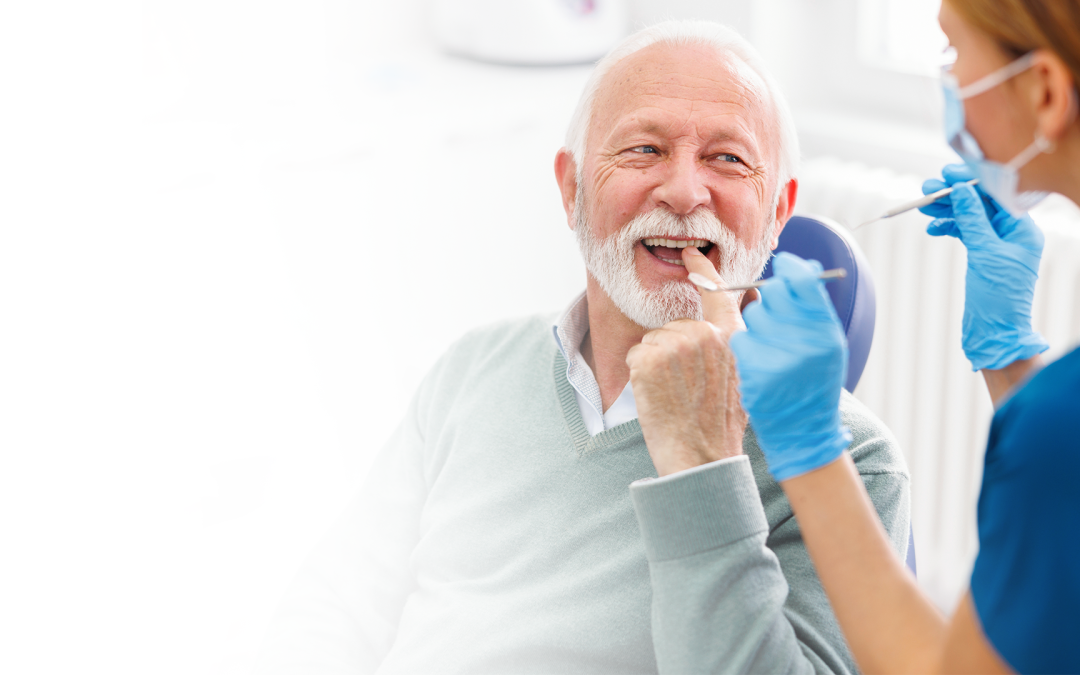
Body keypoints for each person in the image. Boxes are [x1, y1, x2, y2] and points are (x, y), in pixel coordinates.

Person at [253, 20, 911, 675]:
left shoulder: (851, 464)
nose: (684, 192)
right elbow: (336, 604)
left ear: (778, 211)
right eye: (645, 150)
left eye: (727, 158)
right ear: (571, 190)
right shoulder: (472, 369)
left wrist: (701, 467)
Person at [663, 1, 1080, 673]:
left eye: (952, 52)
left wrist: (809, 445)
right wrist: (1011, 361)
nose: (683, 190)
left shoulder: (1051, 427)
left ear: (1048, 92)